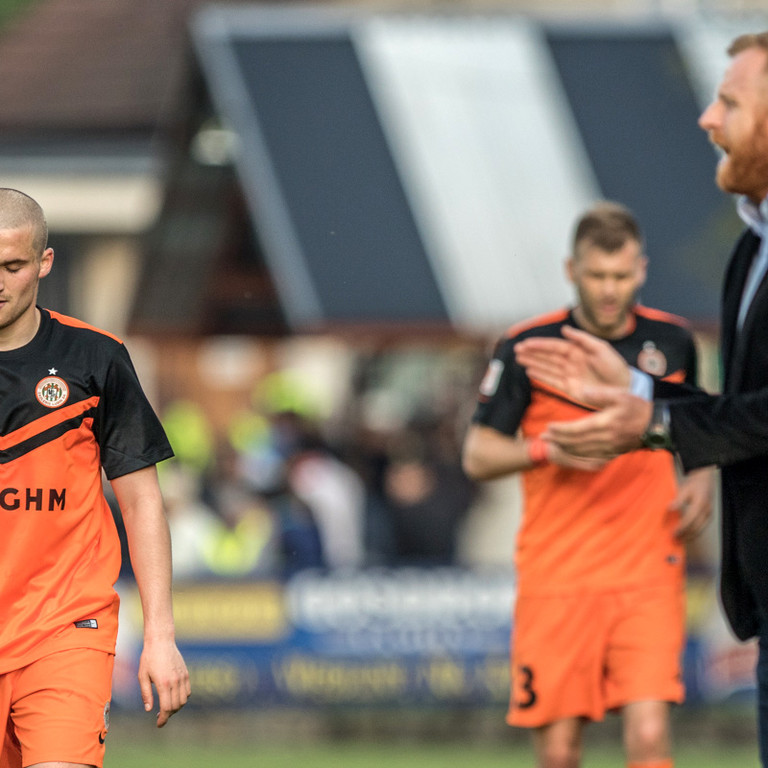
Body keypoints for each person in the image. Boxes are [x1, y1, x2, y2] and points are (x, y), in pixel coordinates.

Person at [513, 31, 768, 768]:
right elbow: (746, 407)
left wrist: (651, 420)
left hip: (639, 579)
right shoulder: (751, 247)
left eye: (729, 102)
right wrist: (632, 388)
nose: (706, 119)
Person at [462, 201, 713, 768]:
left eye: (621, 275)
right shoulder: (529, 347)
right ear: (571, 270)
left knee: (649, 740)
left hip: (647, 567)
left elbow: (699, 423)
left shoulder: (672, 342)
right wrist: (547, 448)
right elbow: (477, 455)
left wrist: (701, 478)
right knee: (559, 752)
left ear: (641, 270)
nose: (609, 289)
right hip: (558, 573)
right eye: (597, 275)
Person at [0, 188, 190, 768]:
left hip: (65, 627)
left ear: (44, 263)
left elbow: (141, 505)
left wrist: (160, 634)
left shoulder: (96, 358)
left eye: (12, 265)